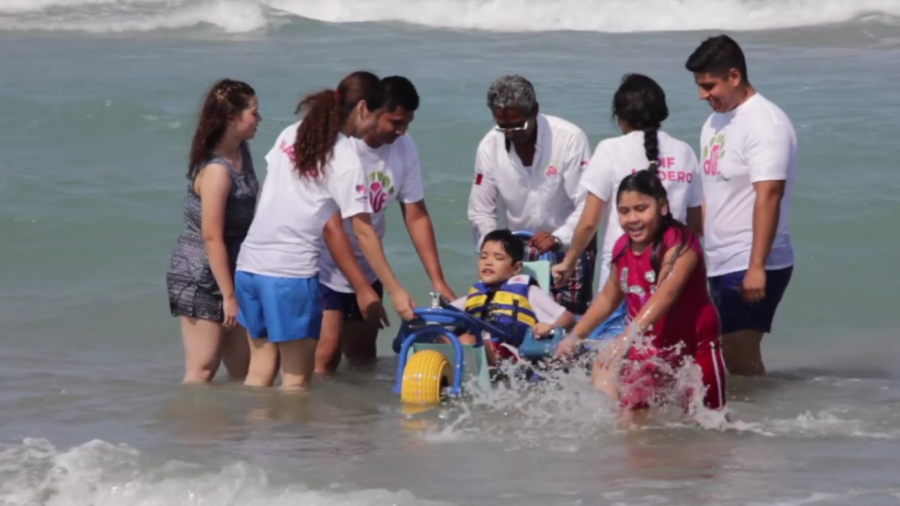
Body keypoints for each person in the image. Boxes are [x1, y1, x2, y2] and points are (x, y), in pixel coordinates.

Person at [233, 71, 416, 391]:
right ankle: (297, 443)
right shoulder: (345, 157)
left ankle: (251, 441)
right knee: (295, 382)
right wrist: (394, 289)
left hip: (250, 267)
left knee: (259, 375)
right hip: (289, 272)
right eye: (374, 117)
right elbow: (363, 230)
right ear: (361, 108)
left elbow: (273, 191)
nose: (373, 127)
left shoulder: (294, 132)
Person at [555, 170, 725, 427]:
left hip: (695, 346)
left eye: (641, 208)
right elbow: (608, 298)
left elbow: (666, 294)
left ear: (663, 206)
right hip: (649, 348)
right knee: (630, 420)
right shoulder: (622, 247)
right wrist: (574, 336)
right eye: (624, 211)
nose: (632, 219)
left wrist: (627, 336)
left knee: (710, 424)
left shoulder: (680, 244)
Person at [315, 76, 457, 374]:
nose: (401, 131)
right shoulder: (343, 148)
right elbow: (333, 227)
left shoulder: (404, 147)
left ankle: (359, 420)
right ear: (376, 111)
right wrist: (362, 287)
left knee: (363, 358)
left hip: (369, 264)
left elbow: (416, 214)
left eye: (407, 123)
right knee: (325, 355)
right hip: (323, 265)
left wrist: (437, 279)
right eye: (395, 122)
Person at [551, 73, 703, 339]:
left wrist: (569, 260)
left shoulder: (610, 149)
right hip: (672, 281)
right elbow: (696, 223)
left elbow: (589, 221)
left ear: (620, 116)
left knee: (610, 361)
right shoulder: (685, 151)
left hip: (623, 282)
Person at [686, 34, 797, 376]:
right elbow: (710, 192)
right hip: (720, 259)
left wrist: (756, 266)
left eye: (709, 86)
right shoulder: (714, 122)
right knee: (717, 351)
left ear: (734, 76)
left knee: (738, 353)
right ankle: (745, 422)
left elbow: (769, 195)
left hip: (752, 258)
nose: (703, 95)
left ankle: (760, 424)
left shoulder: (765, 123)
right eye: (700, 86)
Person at [467, 74, 595, 316]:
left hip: (571, 241)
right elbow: (481, 209)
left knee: (566, 320)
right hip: (519, 245)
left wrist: (559, 238)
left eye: (517, 125)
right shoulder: (489, 145)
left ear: (534, 110)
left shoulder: (569, 138)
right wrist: (493, 250)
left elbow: (587, 204)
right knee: (517, 317)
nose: (511, 133)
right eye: (503, 126)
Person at [166, 79, 260, 384]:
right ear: (232, 119)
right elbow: (212, 236)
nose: (259, 119)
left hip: (236, 266)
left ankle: (232, 432)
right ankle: (194, 429)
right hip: (201, 274)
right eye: (254, 113)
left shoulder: (242, 151)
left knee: (243, 367)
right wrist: (229, 295)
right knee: (204, 366)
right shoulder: (218, 171)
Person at [446, 229, 576, 365]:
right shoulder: (475, 295)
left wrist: (549, 326)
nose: (488, 262)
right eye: (483, 257)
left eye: (498, 258)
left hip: (508, 354)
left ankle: (463, 381)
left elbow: (568, 318)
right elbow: (445, 312)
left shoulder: (528, 291)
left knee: (466, 341)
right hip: (477, 347)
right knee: (442, 338)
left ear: (517, 268)